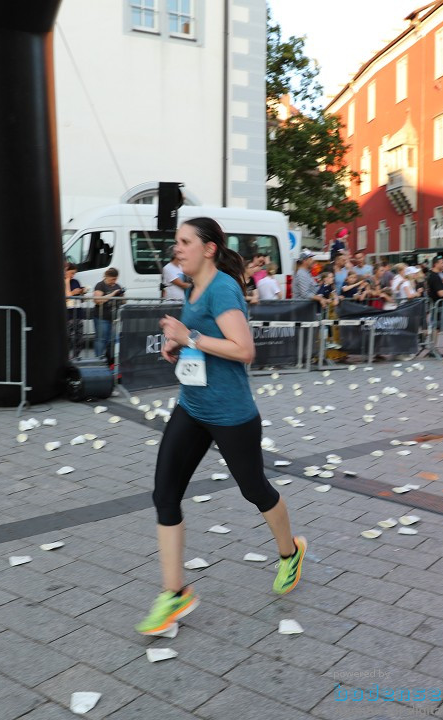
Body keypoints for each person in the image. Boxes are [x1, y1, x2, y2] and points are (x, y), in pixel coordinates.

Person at [136, 217, 305, 635]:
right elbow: (203, 340)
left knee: (254, 489)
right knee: (165, 495)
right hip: (192, 408)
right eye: (176, 242)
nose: (177, 249)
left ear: (208, 248)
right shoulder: (192, 287)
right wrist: (179, 344)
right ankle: (174, 593)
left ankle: (290, 553)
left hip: (231, 415)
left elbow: (244, 349)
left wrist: (189, 336)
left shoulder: (224, 288)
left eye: (185, 242)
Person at [92, 267, 124, 364]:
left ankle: (111, 361)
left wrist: (121, 296)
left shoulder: (117, 285)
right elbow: (97, 301)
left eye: (116, 279)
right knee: (101, 340)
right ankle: (99, 360)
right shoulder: (100, 285)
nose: (114, 281)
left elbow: (123, 301)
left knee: (113, 340)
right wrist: (113, 294)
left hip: (114, 318)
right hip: (102, 318)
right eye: (112, 279)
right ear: (107, 276)